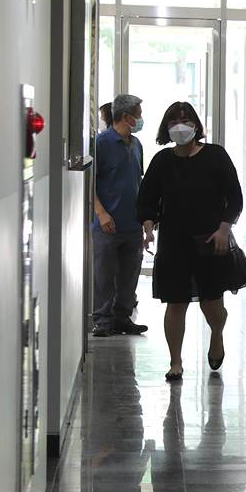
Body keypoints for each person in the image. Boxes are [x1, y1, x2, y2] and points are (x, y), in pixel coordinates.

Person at [136, 100, 246, 383]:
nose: (179, 127)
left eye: (185, 121)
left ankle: (217, 334)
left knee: (212, 304)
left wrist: (224, 229)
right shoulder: (162, 161)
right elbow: (147, 199)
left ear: (196, 126)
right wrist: (148, 226)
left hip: (210, 239)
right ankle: (175, 361)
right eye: (173, 122)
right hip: (173, 241)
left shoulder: (215, 155)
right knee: (175, 303)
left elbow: (234, 198)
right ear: (166, 128)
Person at [91, 95, 148, 338]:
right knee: (104, 275)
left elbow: (137, 181)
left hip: (132, 223)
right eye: (138, 114)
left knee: (129, 275)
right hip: (107, 224)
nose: (141, 119)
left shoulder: (136, 145)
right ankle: (103, 321)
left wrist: (146, 218)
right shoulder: (101, 144)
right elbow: (89, 184)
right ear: (126, 117)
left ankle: (123, 318)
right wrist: (101, 213)